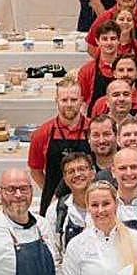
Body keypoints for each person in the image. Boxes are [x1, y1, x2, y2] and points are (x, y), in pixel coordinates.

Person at [28, 80, 90, 214]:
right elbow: (35, 171)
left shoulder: (92, 130)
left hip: (89, 203)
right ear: (56, 101)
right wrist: (51, 191)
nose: (69, 104)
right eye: (64, 100)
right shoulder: (42, 133)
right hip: (53, 203)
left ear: (81, 101)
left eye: (74, 100)